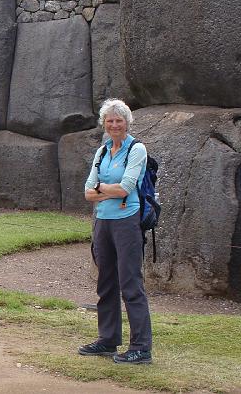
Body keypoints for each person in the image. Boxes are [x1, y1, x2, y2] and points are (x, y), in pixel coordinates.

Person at [78, 98, 153, 364]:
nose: (114, 125)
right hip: (103, 222)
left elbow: (126, 187)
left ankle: (141, 347)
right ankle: (107, 340)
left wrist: (102, 190)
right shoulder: (102, 151)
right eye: (109, 120)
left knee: (131, 284)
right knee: (106, 283)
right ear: (104, 124)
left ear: (127, 123)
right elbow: (87, 192)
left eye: (118, 120)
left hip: (126, 221)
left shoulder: (137, 149)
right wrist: (107, 190)